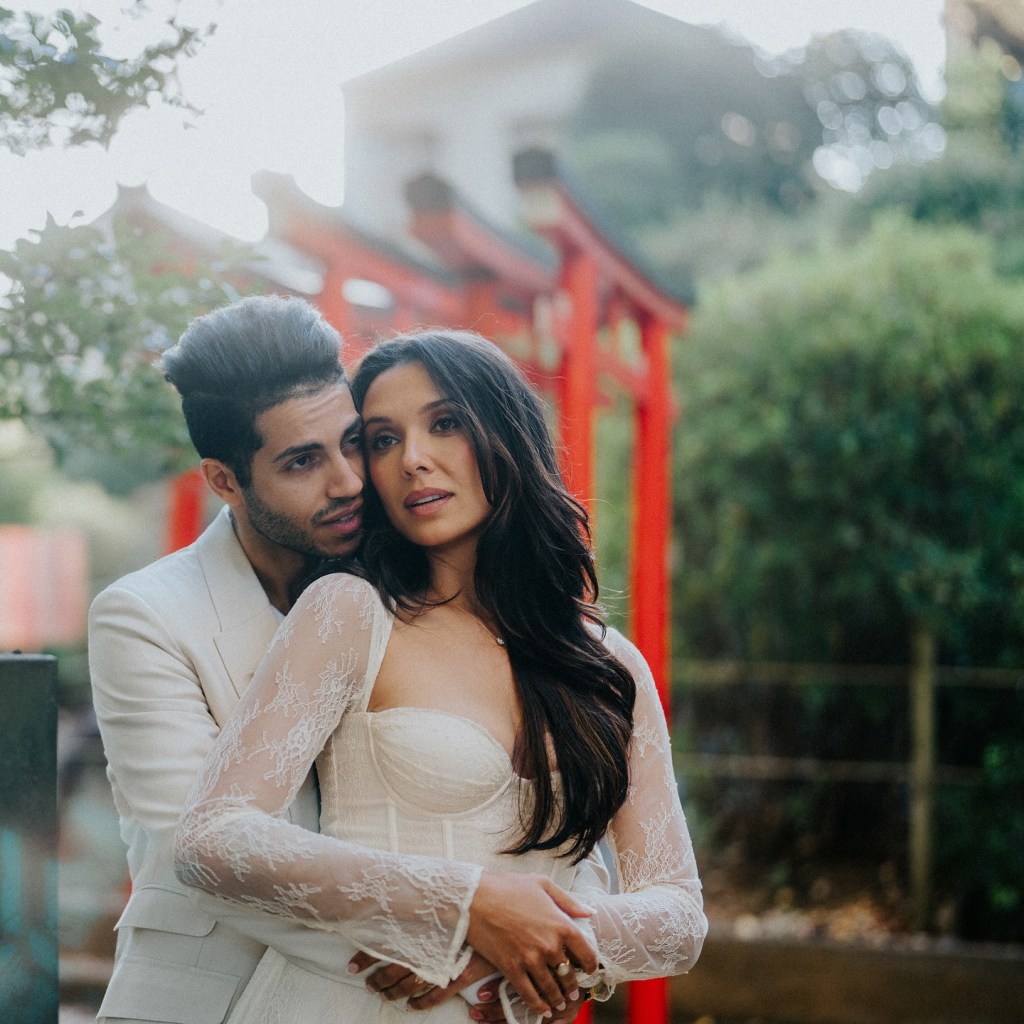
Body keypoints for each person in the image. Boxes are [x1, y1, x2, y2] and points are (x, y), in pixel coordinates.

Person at [173, 329, 708, 1024]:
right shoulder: (351, 613)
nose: (413, 461)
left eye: (445, 423)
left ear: (506, 433)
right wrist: (467, 902)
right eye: (383, 440)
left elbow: (678, 920)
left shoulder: (609, 667)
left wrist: (521, 940)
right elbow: (212, 838)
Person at [89, 297, 597, 1024]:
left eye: (357, 442)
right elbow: (194, 854)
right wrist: (463, 931)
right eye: (303, 462)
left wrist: (550, 931)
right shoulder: (146, 616)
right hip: (208, 998)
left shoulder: (421, 591)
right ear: (225, 480)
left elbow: (554, 817)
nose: (352, 482)